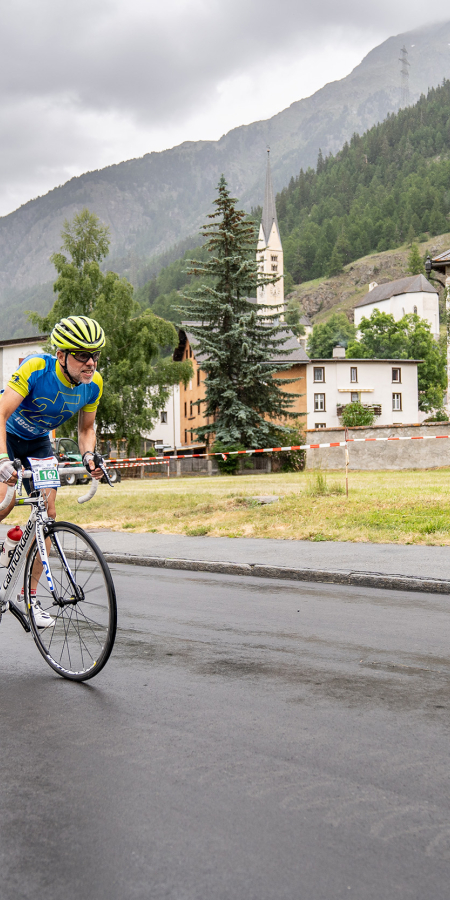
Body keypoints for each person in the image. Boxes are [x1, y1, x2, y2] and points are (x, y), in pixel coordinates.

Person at [0, 316, 106, 626]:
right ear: (61, 355)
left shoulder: (93, 384)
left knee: (46, 514)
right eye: (82, 355)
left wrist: (89, 455)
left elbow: (86, 428)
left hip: (38, 445)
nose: (91, 362)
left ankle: (29, 599)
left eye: (95, 355)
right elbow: (2, 412)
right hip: (6, 437)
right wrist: (3, 459)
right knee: (3, 504)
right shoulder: (37, 368)